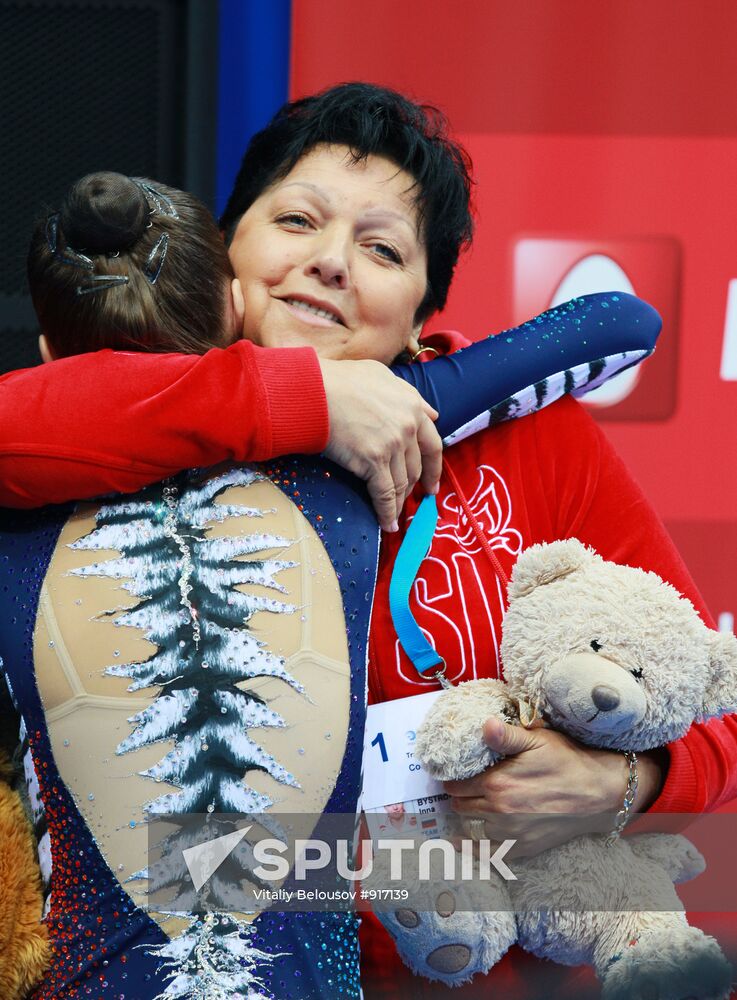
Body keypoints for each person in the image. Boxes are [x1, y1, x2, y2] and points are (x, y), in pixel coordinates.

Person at [1, 83, 734, 1000]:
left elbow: (708, 702)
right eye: (297, 220)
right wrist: (301, 399)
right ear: (225, 251)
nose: (330, 263)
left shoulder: (528, 434)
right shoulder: (133, 420)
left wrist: (619, 781)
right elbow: (187, 861)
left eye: (381, 247)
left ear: (424, 310)